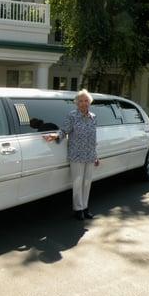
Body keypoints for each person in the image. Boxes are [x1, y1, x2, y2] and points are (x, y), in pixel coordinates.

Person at [44, 89, 100, 220]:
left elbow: (94, 138)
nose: (83, 103)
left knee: (87, 183)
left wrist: (96, 155)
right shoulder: (72, 116)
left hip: (90, 155)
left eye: (86, 100)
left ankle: (85, 208)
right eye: (80, 101)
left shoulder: (93, 117)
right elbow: (64, 130)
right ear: (76, 103)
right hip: (76, 155)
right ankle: (78, 209)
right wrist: (55, 135)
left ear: (90, 102)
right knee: (77, 182)